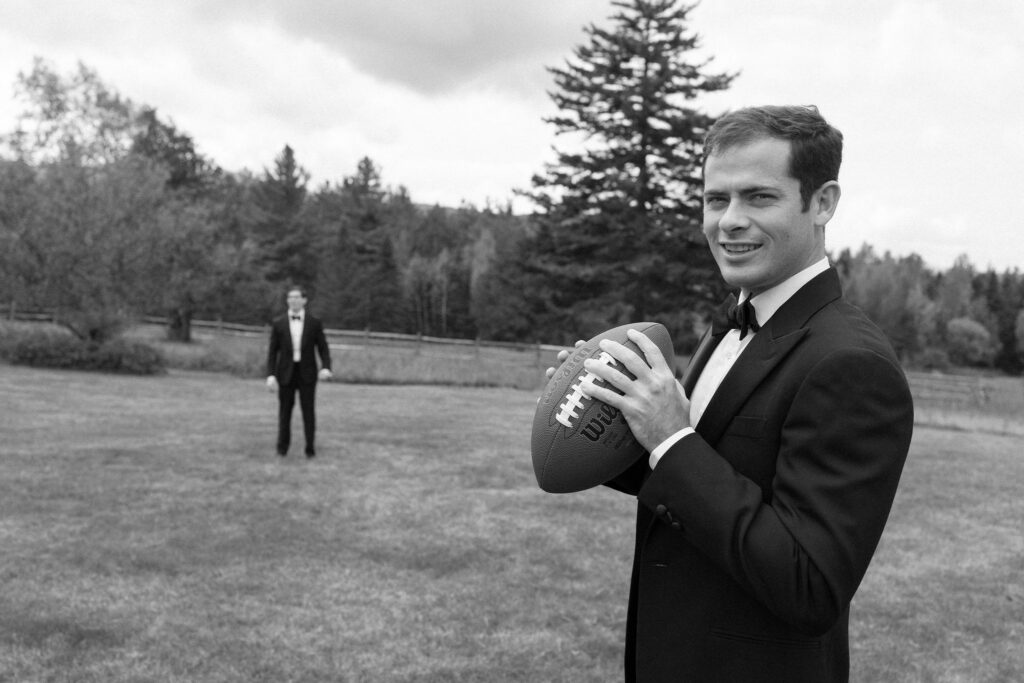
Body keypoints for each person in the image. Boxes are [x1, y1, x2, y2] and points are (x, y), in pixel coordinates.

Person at [552, 105, 914, 681]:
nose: (729, 221)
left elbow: (810, 585)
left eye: (759, 197)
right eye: (715, 200)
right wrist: (614, 414)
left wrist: (672, 438)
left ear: (822, 202)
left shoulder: (851, 364)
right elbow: (701, 480)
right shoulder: (733, 322)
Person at [266, 286, 333, 458]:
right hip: (286, 374)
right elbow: (273, 352)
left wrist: (326, 367)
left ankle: (310, 449)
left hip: (307, 374)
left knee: (308, 412)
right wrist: (271, 375)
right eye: (290, 297)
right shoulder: (279, 323)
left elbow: (323, 348)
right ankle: (282, 449)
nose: (293, 300)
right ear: (287, 301)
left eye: (297, 297)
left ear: (304, 300)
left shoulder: (314, 322)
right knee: (284, 413)